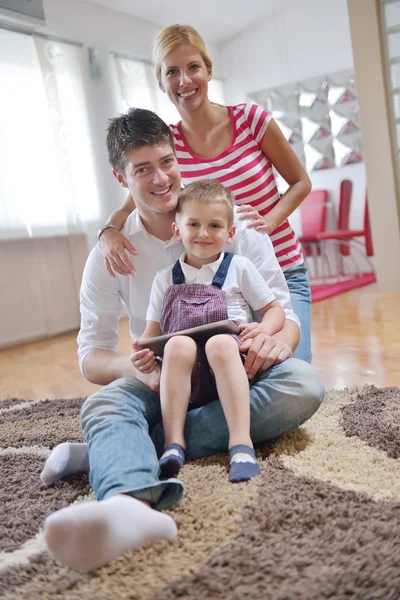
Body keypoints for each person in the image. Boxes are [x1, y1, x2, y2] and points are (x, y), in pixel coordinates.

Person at [41, 108, 324, 573]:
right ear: (121, 177)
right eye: (142, 169)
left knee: (302, 386)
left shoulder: (230, 224)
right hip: (164, 376)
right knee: (104, 406)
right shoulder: (109, 255)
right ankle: (130, 503)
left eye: (167, 161)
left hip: (233, 371)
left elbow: (283, 315)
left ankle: (117, 450)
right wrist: (131, 367)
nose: (160, 178)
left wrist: (278, 342)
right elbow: (91, 356)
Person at [98, 24, 313, 363]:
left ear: (209, 70)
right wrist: (108, 231)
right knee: (222, 370)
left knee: (288, 367)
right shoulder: (168, 146)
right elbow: (133, 201)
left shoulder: (250, 120)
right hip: (220, 279)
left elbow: (301, 182)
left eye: (193, 67)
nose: (184, 80)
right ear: (160, 81)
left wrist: (266, 224)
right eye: (172, 72)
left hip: (281, 268)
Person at [133, 179, 286, 483]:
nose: (204, 233)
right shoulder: (165, 279)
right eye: (193, 224)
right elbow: (149, 337)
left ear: (230, 234)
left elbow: (275, 310)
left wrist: (263, 330)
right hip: (184, 379)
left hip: (233, 367)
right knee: (178, 346)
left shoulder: (239, 267)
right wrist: (143, 358)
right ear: (178, 230)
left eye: (215, 226)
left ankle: (241, 445)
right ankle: (173, 444)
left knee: (220, 343)